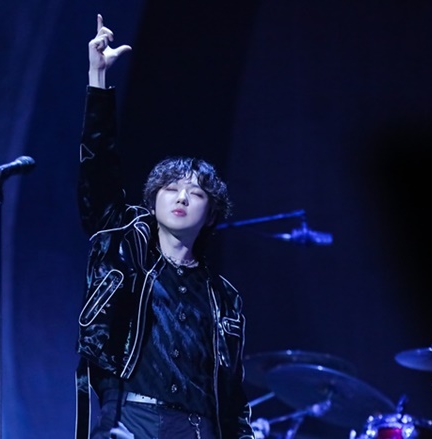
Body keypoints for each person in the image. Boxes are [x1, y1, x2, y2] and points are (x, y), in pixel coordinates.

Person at [74, 13, 258, 439]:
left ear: (211, 213)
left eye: (195, 193)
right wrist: (97, 79)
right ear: (153, 199)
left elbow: (233, 396)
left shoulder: (224, 298)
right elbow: (98, 172)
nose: (181, 198)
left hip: (200, 429)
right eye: (171, 188)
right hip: (133, 419)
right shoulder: (127, 248)